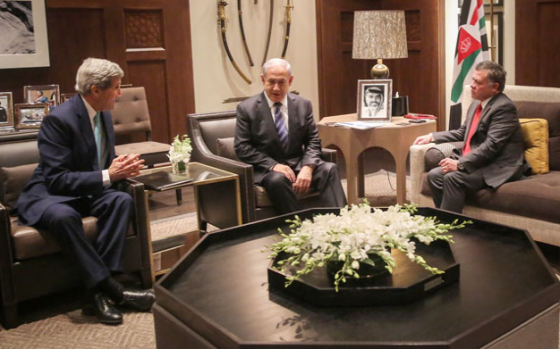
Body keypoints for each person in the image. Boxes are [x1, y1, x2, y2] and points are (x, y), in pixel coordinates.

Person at [17, 58, 155, 325]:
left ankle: (95, 295)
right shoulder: (58, 120)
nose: (119, 93)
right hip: (49, 194)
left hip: (84, 190)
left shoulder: (103, 112)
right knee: (63, 217)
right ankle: (113, 289)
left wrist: (118, 169)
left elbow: (101, 160)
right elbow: (56, 180)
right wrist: (108, 175)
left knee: (120, 200)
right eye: (115, 87)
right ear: (95, 89)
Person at [234, 58, 347, 214]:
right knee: (277, 180)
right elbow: (242, 147)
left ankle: (340, 222)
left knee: (330, 168)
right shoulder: (247, 108)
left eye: (281, 82)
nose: (276, 88)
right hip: (269, 170)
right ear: (262, 79)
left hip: (298, 163)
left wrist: (308, 167)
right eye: (271, 82)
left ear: (290, 80)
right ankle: (299, 227)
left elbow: (313, 140)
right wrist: (274, 165)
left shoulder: (303, 105)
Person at [413, 61, 526, 213]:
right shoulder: (476, 104)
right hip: (479, 161)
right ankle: (445, 222)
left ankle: (452, 231)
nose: (471, 85)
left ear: (495, 87)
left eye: (477, 82)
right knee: (434, 176)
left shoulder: (504, 108)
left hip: (497, 164)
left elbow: (491, 146)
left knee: (453, 178)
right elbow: (462, 132)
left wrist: (460, 164)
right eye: (472, 80)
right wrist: (432, 136)